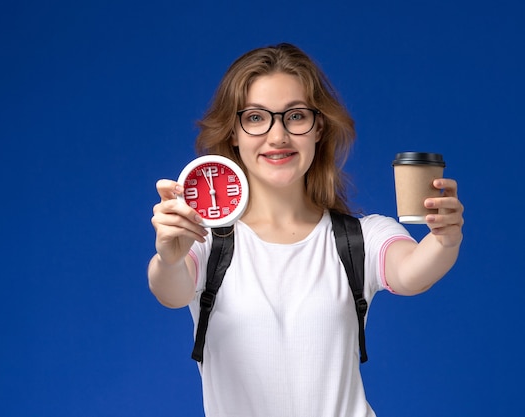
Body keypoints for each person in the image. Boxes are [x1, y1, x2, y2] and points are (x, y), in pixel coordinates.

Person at [148, 43, 464, 416]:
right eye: (255, 117)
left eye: (295, 116)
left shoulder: (362, 238)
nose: (278, 136)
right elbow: (170, 289)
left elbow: (412, 273)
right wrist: (169, 256)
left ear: (319, 127)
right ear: (233, 132)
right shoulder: (204, 242)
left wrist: (445, 238)